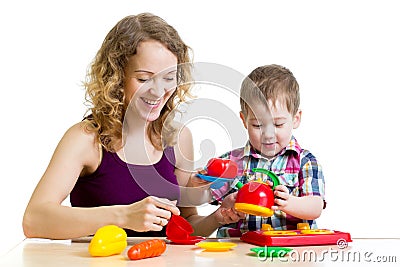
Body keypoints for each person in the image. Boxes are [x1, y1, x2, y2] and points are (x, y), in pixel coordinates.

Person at [22, 13, 226, 239]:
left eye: (169, 77)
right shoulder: (86, 139)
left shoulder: (178, 137)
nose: (158, 92)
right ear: (117, 76)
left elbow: (185, 224)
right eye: (143, 78)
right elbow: (34, 220)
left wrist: (218, 217)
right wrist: (123, 216)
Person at [209, 64, 326, 237]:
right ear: (244, 120)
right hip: (237, 249)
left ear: (296, 119)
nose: (268, 135)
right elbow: (200, 196)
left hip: (289, 252)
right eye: (257, 125)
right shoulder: (231, 162)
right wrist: (202, 184)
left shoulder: (305, 161)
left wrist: (289, 203)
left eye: (278, 124)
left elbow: (315, 206)